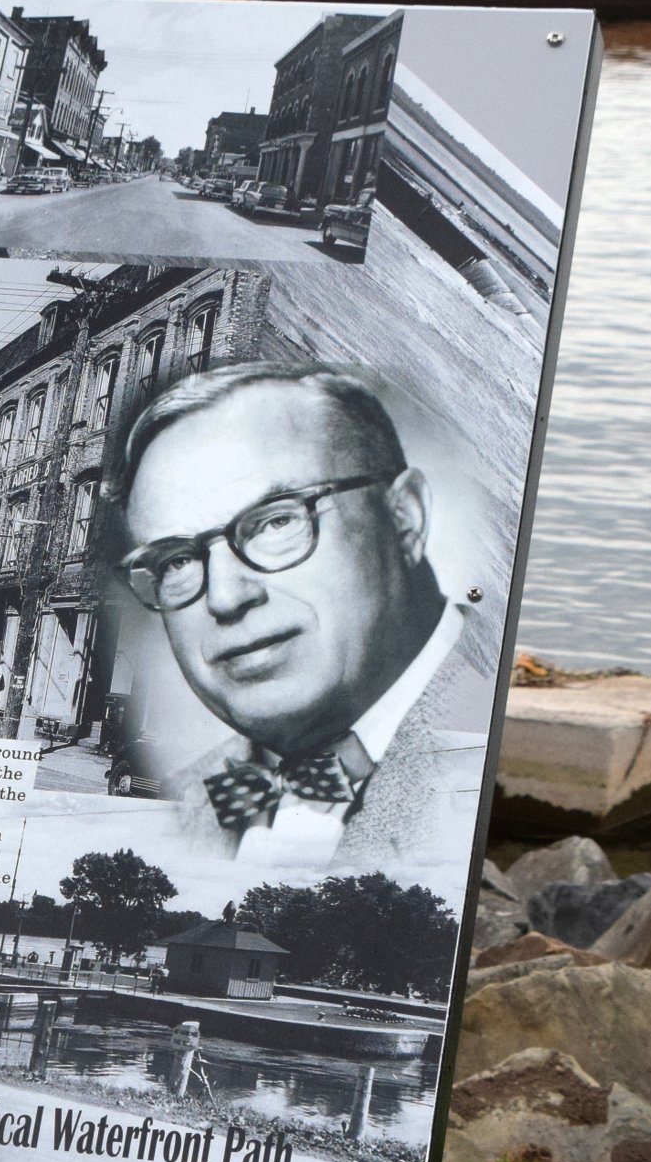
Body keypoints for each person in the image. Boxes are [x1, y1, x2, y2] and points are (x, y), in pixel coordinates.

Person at [112, 363, 487, 869]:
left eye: (276, 521)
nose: (225, 597)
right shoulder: (186, 798)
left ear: (405, 517)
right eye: (176, 561)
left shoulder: (502, 738)